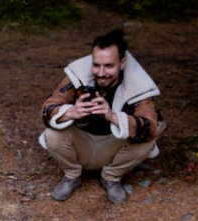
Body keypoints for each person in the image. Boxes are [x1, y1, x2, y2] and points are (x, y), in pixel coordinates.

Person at [39, 29, 166, 203]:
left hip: (113, 147)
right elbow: (48, 109)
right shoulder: (77, 77)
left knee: (149, 140)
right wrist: (70, 112)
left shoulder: (139, 85)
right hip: (81, 143)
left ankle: (111, 177)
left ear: (122, 63)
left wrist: (113, 116)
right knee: (52, 133)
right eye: (96, 65)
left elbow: (149, 127)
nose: (101, 72)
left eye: (109, 66)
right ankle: (72, 175)